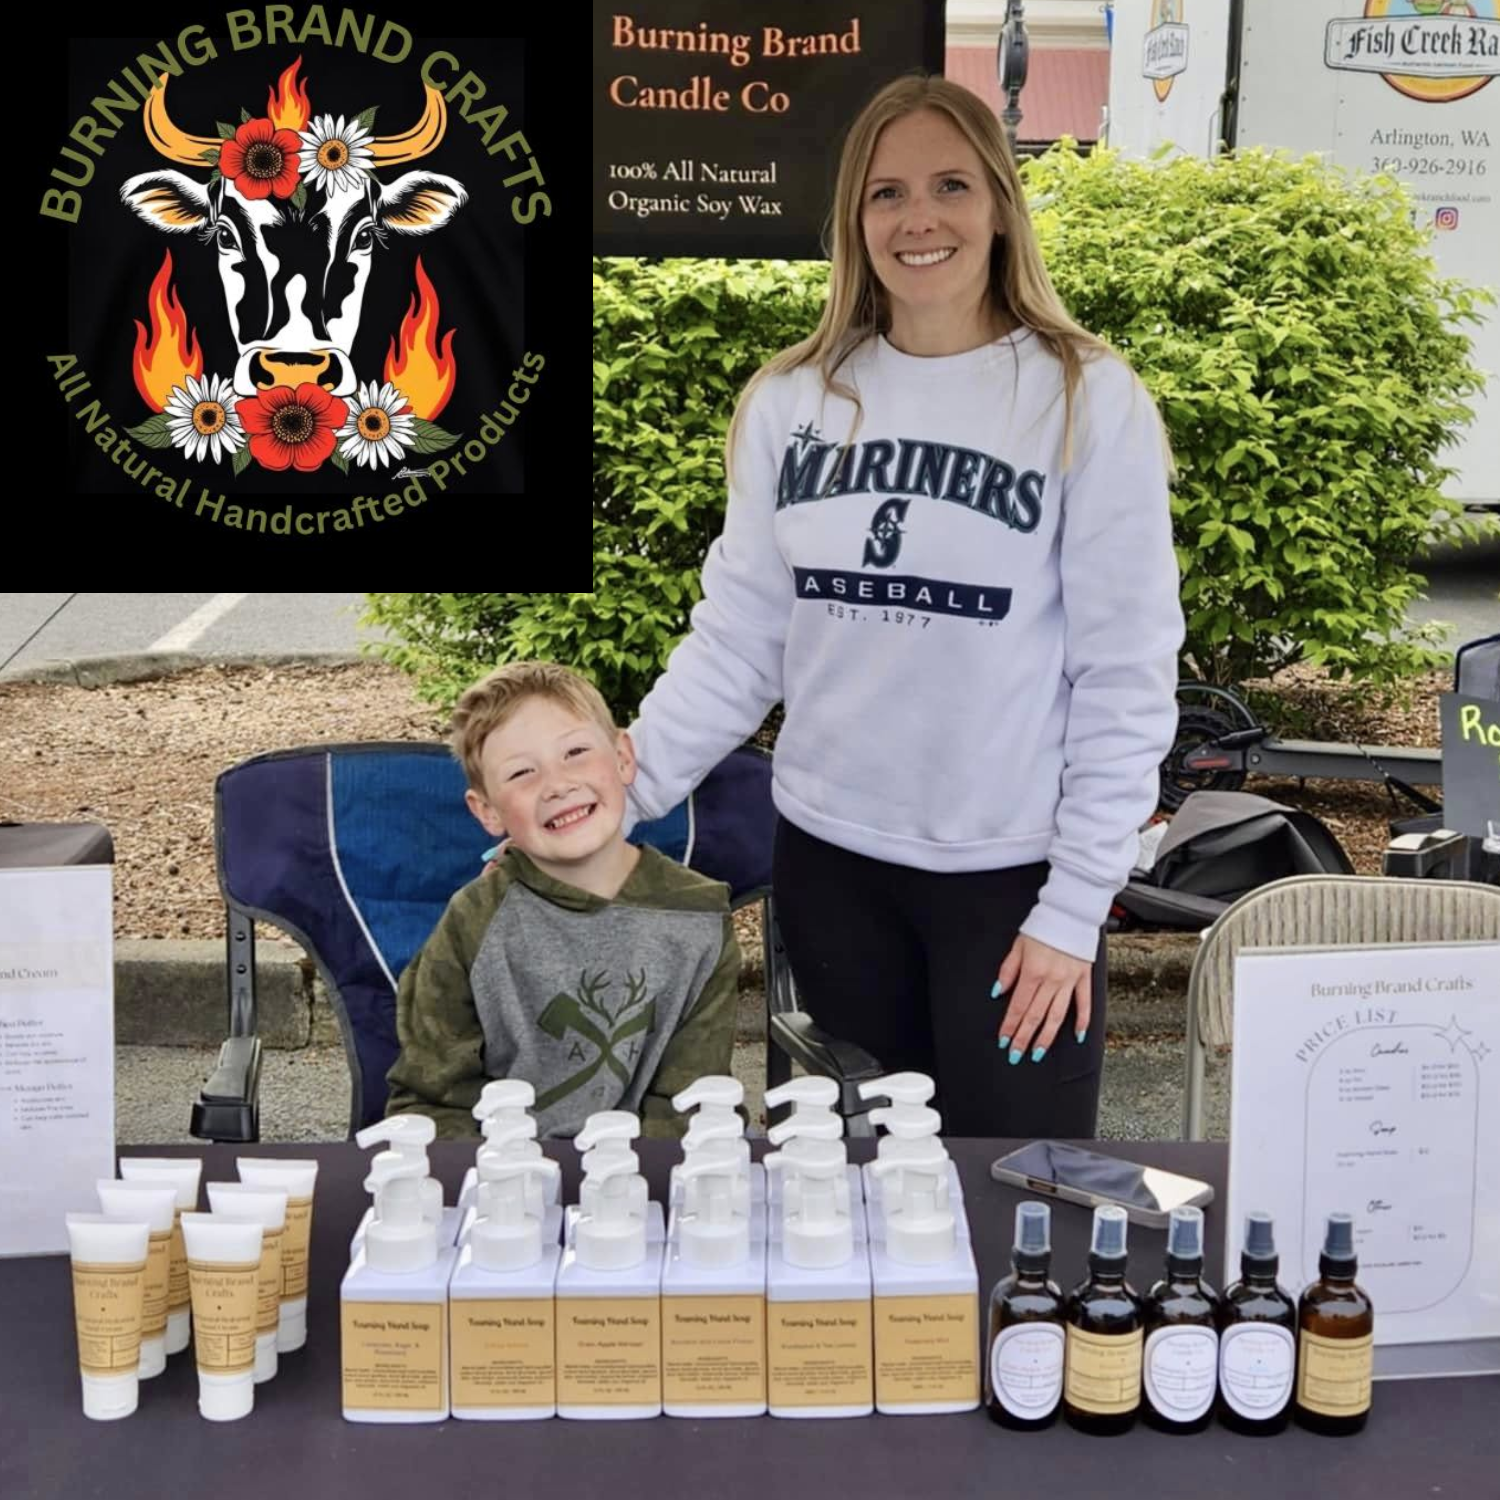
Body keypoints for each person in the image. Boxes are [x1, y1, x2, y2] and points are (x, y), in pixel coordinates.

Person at [621, 74, 1186, 1137]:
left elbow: (1124, 673)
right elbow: (742, 639)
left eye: (950, 185)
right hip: (832, 870)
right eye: (886, 193)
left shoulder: (1082, 395)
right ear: (854, 220)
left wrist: (1073, 908)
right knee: (850, 1211)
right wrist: (622, 785)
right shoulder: (795, 398)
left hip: (1011, 884)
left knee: (1016, 1196)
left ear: (1000, 205)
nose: (918, 218)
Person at [385, 661, 740, 1138]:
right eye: (522, 772)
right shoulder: (473, 922)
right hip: (503, 1182)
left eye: (575, 751)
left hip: (648, 1186)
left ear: (622, 757)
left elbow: (691, 1104)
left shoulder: (699, 918)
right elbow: (431, 1099)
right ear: (487, 810)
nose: (557, 784)